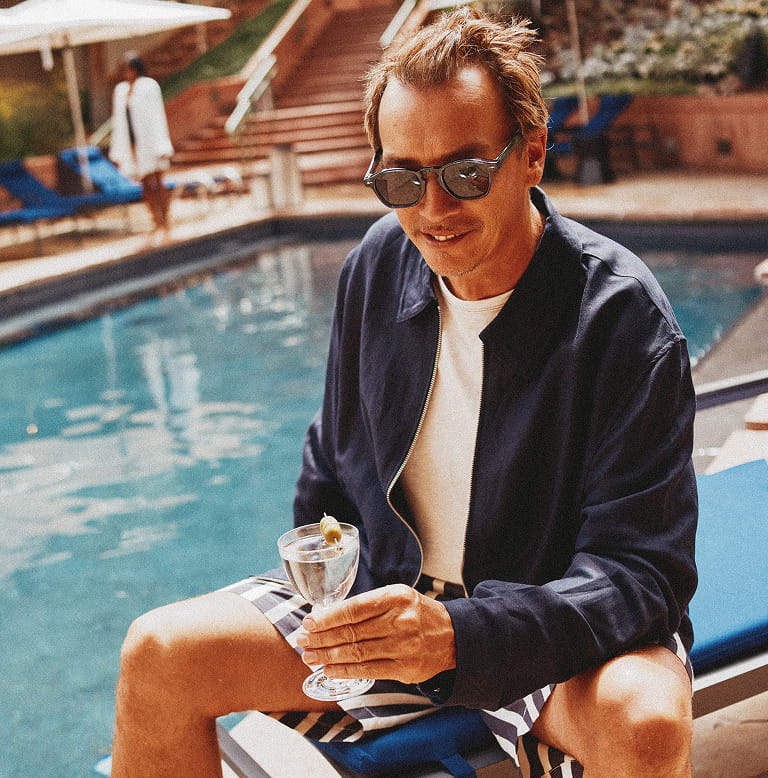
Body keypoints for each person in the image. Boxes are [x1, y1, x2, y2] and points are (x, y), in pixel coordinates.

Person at [111, 8, 698, 777]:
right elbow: (331, 470)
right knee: (160, 655)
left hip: (545, 629)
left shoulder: (620, 317)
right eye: (400, 178)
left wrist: (463, 633)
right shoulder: (377, 266)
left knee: (645, 720)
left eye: (464, 173)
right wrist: (342, 608)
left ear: (532, 155)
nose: (431, 210)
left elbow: (640, 575)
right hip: (394, 611)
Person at [109, 52, 174, 242]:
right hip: (133, 145)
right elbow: (119, 121)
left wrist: (161, 143)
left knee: (158, 181)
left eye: (129, 67)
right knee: (145, 185)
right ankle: (155, 220)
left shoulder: (148, 86)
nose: (126, 72)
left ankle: (166, 220)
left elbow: (156, 116)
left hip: (151, 142)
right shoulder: (120, 91)